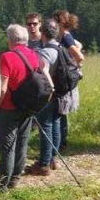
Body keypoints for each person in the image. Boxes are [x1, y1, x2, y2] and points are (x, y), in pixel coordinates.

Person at [0, 24, 49, 190]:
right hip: (28, 106)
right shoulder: (35, 55)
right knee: (22, 142)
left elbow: (3, 87)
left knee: (8, 146)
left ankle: (3, 183)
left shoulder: (7, 57)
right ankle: (15, 178)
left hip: (9, 106)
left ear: (10, 39)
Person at [25, 19, 71, 176]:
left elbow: (39, 73)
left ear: (42, 33)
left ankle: (43, 164)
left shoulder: (46, 52)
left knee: (45, 127)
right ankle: (52, 160)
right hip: (61, 94)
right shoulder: (60, 47)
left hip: (49, 94)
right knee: (55, 125)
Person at [51, 10, 84, 150]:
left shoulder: (65, 37)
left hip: (64, 77)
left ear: (60, 23)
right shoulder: (65, 36)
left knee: (61, 111)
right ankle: (61, 142)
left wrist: (73, 66)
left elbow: (80, 56)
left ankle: (61, 143)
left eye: (54, 22)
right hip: (64, 76)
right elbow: (79, 45)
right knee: (61, 110)